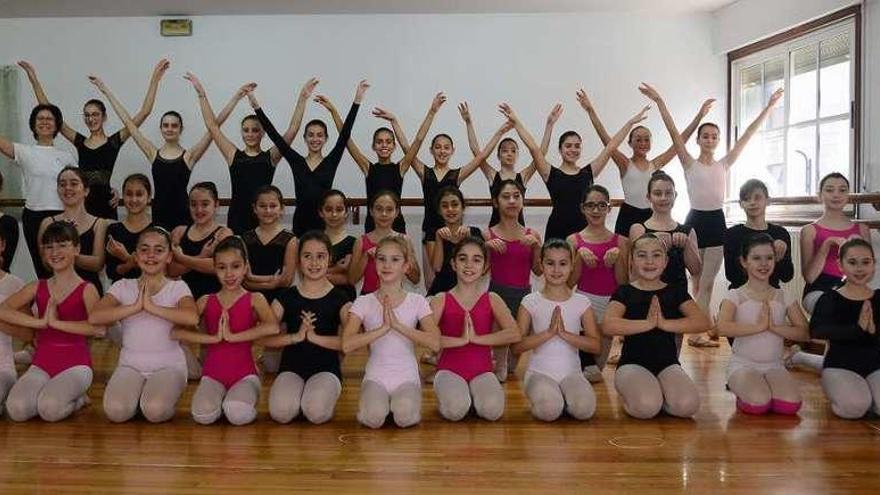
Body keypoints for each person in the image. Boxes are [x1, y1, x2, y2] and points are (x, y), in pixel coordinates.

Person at [639, 82, 783, 347]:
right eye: (705, 135)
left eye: (714, 136)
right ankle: (696, 325)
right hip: (694, 222)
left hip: (716, 224)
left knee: (705, 284)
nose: (710, 139)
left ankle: (695, 332)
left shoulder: (724, 164)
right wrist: (660, 101)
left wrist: (770, 106)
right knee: (695, 282)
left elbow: (748, 135)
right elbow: (673, 133)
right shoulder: (688, 162)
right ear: (698, 140)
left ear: (718, 141)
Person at [18, 59, 168, 219]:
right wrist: (33, 79)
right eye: (87, 115)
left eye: (95, 114)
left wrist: (155, 79)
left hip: (107, 206)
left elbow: (145, 112)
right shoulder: (80, 142)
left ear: (104, 117)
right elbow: (51, 111)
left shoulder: (114, 142)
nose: (91, 119)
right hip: (83, 207)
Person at [90, 76, 242, 230]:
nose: (169, 129)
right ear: (161, 128)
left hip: (183, 218)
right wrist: (107, 92)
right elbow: (129, 123)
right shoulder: (152, 153)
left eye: (174, 126)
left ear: (180, 129)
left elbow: (214, 127)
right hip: (159, 217)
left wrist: (203, 95)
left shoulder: (188, 156)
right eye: (166, 125)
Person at [89, 227, 198, 422]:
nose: (150, 255)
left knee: (154, 411)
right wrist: (135, 307)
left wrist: (151, 306)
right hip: (131, 365)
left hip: (169, 366)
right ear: (136, 256)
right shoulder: (122, 286)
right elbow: (96, 317)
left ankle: (152, 398)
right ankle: (139, 397)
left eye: (158, 250)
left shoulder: (177, 287)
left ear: (169, 257)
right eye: (144, 249)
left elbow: (191, 317)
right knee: (116, 412)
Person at [499, 102, 648, 242]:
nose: (573, 149)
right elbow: (533, 148)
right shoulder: (550, 173)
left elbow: (610, 146)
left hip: (584, 231)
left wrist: (629, 123)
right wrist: (520, 122)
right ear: (560, 149)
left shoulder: (588, 172)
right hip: (557, 229)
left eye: (577, 146)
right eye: (568, 146)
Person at [185, 74, 316, 234]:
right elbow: (212, 126)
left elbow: (293, 129)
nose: (250, 134)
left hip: (264, 220)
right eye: (246, 130)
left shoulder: (271, 157)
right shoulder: (233, 154)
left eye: (255, 130)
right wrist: (203, 94)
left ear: (262, 134)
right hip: (237, 219)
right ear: (241, 133)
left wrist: (302, 98)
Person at [0, 222, 103, 422]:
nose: (55, 251)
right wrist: (38, 323)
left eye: (62, 245)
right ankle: (55, 392)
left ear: (76, 249)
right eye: (49, 247)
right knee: (17, 410)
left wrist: (55, 323)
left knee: (49, 409)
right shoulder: (37, 286)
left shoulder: (87, 289)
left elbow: (98, 328)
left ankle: (79, 399)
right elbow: (3, 310)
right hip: (42, 363)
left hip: (76, 364)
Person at [576, 88, 713, 237]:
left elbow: (679, 142)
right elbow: (606, 140)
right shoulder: (624, 163)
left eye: (647, 139)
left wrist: (699, 116)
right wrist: (590, 110)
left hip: (650, 215)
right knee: (627, 257)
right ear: (630, 143)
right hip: (628, 215)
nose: (643, 143)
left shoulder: (656, 164)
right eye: (638, 139)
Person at [174, 237, 280, 425]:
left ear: (246, 267)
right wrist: (213, 338)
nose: (229, 274)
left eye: (235, 266)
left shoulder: (255, 298)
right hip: (212, 374)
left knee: (237, 415)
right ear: (215, 269)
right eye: (222, 267)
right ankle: (223, 400)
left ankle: (238, 400)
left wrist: (233, 336)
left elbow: (272, 326)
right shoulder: (206, 300)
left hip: (244, 374)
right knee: (202, 416)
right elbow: (177, 332)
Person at [603, 233, 709, 419]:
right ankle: (640, 397)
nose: (649, 261)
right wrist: (647, 324)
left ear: (666, 261)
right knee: (646, 408)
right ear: (632, 261)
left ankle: (658, 395)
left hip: (667, 364)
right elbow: (609, 326)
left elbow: (702, 322)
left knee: (687, 406)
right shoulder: (625, 292)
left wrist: (664, 324)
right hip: (632, 365)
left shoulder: (675, 292)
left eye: (656, 255)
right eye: (642, 255)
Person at [342, 236, 440, 428]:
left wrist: (398, 326)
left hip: (406, 376)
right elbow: (346, 344)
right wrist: (383, 329)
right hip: (376, 376)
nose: (387, 265)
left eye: (395, 260)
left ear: (406, 266)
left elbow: (435, 343)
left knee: (404, 417)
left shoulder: (417, 301)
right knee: (373, 418)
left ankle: (400, 404)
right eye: (381, 258)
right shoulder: (364, 301)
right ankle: (380, 405)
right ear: (375, 262)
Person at [253, 80, 366, 236]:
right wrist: (257, 107)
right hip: (300, 227)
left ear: (326, 139)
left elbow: (345, 134)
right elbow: (274, 135)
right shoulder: (297, 161)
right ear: (305, 138)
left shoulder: (330, 162)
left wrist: (356, 101)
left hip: (325, 228)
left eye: (320, 135)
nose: (315, 139)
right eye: (311, 135)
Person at [261, 231, 352, 424]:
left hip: (326, 369)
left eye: (320, 256)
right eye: (307, 256)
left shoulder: (341, 299)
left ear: (330, 259)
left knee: (316, 413)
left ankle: (316, 398)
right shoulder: (286, 297)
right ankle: (299, 398)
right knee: (281, 413)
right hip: (291, 368)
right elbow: (263, 338)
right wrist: (296, 336)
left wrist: (314, 337)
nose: (314, 263)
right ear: (299, 260)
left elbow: (351, 343)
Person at [716, 234, 809, 415]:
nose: (764, 264)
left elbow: (804, 332)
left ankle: (765, 386)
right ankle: (743, 390)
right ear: (744, 262)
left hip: (775, 365)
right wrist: (758, 327)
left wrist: (774, 327)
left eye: (769, 258)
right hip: (743, 365)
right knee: (759, 403)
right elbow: (722, 327)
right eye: (756, 258)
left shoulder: (783, 296)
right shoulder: (735, 295)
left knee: (790, 406)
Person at [431, 236, 519, 421]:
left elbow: (514, 333)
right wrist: (460, 341)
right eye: (463, 259)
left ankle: (472, 396)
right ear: (454, 264)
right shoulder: (441, 299)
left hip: (482, 370)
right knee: (455, 411)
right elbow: (427, 339)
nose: (469, 265)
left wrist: (477, 339)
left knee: (492, 412)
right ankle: (458, 396)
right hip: (449, 370)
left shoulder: (492, 298)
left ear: (485, 266)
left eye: (476, 259)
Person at [513, 239, 600, 421]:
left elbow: (595, 346)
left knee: (584, 410)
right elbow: (517, 347)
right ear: (541, 265)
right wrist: (548, 334)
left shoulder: (581, 302)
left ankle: (565, 398)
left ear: (571, 265)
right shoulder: (530, 302)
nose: (556, 270)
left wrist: (565, 334)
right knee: (548, 410)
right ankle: (552, 400)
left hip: (572, 373)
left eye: (563, 263)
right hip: (539, 373)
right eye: (550, 263)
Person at [0, 103, 76, 278]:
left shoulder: (67, 156)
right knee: (42, 268)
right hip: (33, 216)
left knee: (63, 267)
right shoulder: (25, 151)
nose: (45, 122)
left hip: (61, 215)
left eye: (49, 119)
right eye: (40, 118)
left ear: (57, 125)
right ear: (34, 124)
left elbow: (79, 185)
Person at [457, 101, 561, 226]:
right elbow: (476, 152)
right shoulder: (492, 175)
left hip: (519, 229)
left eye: (513, 150)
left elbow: (540, 154)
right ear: (498, 155)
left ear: (517, 155)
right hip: (495, 230)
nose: (509, 153)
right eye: (505, 150)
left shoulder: (523, 176)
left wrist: (549, 124)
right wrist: (469, 122)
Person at [809, 238, 880, 419]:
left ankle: (870, 398)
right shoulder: (830, 298)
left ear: (874, 264)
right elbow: (816, 331)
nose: (860, 268)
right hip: (841, 365)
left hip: (875, 365)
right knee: (854, 408)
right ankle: (849, 395)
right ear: (840, 265)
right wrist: (857, 329)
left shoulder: (878, 297)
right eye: (852, 262)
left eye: (866, 262)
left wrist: (872, 330)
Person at [568, 184, 628, 382]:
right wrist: (577, 259)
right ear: (582, 208)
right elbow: (567, 284)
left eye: (602, 205)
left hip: (610, 306)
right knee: (585, 371)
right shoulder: (573, 241)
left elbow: (624, 285)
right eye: (591, 205)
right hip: (583, 305)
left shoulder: (621, 242)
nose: (596, 210)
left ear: (609, 208)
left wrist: (618, 259)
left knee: (596, 374)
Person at [38, 167, 108, 295]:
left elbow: (98, 263)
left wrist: (65, 254)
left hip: (89, 290)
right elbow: (45, 262)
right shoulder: (47, 223)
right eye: (62, 184)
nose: (68, 188)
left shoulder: (99, 223)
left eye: (74, 184)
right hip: (56, 290)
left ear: (86, 190)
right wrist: (69, 252)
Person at [723, 179, 794, 290]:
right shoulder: (732, 234)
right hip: (740, 293)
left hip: (771, 292)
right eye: (747, 199)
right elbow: (732, 275)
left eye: (757, 197)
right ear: (741, 204)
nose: (752, 202)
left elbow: (787, 276)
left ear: (767, 201)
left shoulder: (780, 234)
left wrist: (781, 256)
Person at [105, 174, 153, 283]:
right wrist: (130, 264)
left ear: (149, 197)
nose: (134, 199)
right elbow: (111, 272)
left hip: (151, 292)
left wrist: (126, 257)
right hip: (121, 293)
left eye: (139, 194)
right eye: (129, 194)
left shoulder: (156, 230)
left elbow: (157, 269)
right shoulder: (114, 230)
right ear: (123, 196)